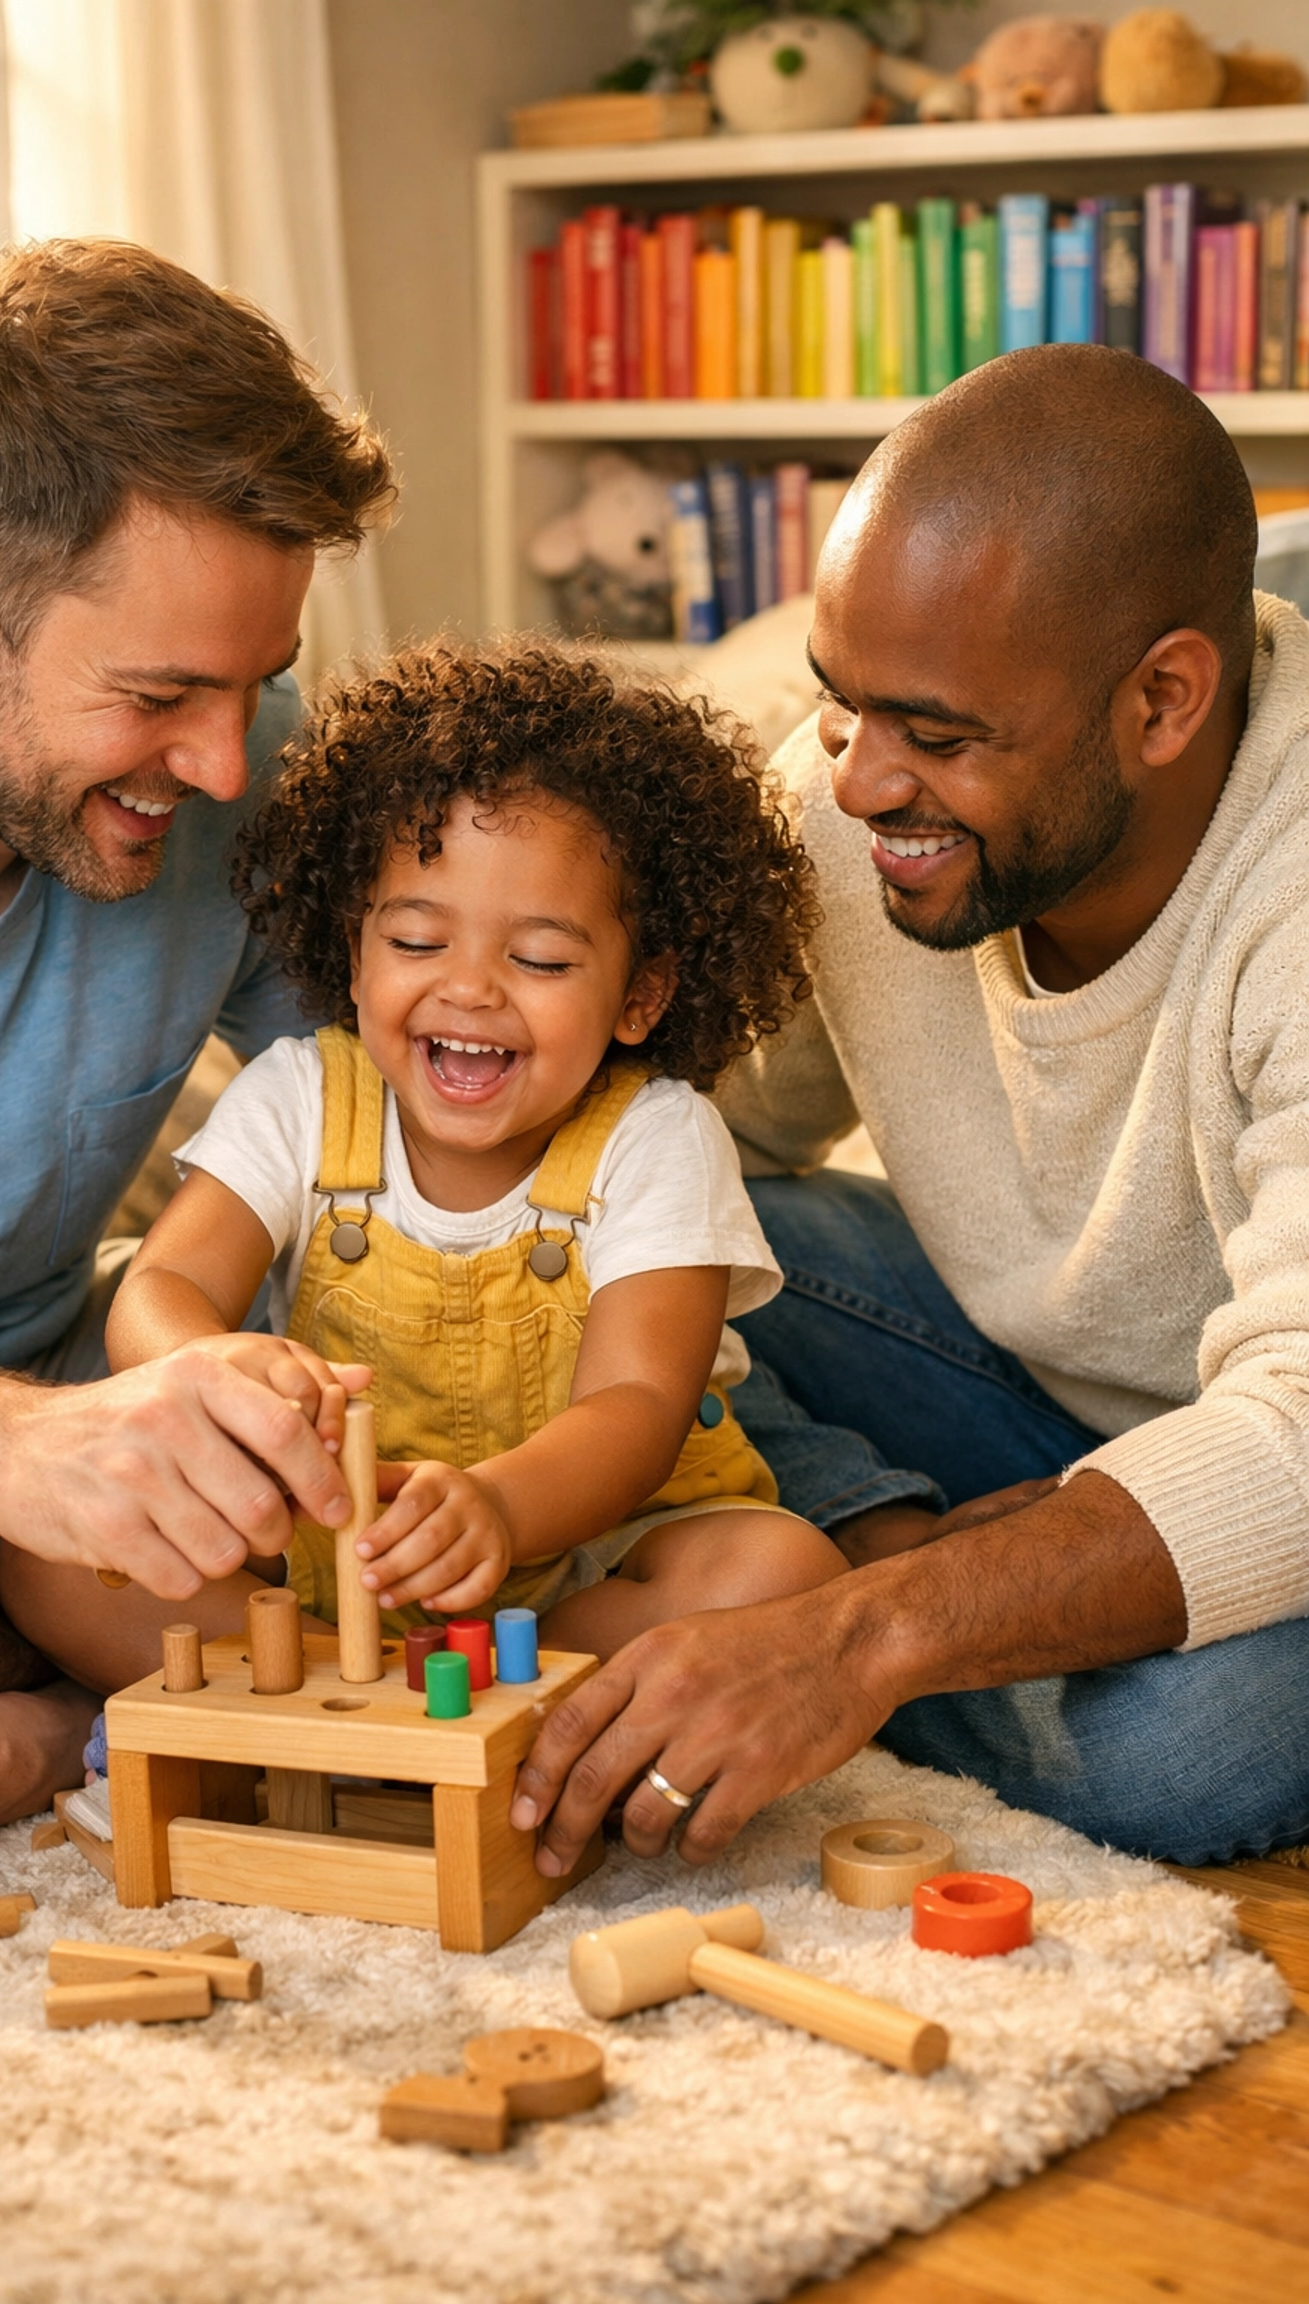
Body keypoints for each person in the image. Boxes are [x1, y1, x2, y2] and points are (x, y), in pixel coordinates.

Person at [509, 343, 1309, 1879]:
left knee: (1199, 1750)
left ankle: (854, 1626)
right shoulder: (853, 814)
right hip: (1019, 1400)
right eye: (837, 707)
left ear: (1163, 700)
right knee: (597, 1231)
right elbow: (667, 1153)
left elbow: (1284, 1441)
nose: (864, 784)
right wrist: (884, 1581)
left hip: (1264, 1445)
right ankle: (891, 1560)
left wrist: (851, 1646)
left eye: (937, 737)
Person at [0, 237, 394, 1882]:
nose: (217, 759)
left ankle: (53, 1711)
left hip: (91, 1389)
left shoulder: (241, 757)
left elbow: (383, 1138)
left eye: (254, 687)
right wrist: (22, 1463)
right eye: (160, 695)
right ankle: (72, 1693)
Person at [0, 642, 849, 1692]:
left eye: (539, 960)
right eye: (415, 943)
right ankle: (343, 1691)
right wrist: (210, 1367)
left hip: (589, 1566)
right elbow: (162, 1289)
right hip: (331, 1564)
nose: (471, 990)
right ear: (353, 950)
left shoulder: (657, 1137)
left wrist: (495, 1505)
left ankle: (464, 1703)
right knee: (53, 1560)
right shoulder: (302, 1096)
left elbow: (636, 1406)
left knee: (787, 1575)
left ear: (642, 995)